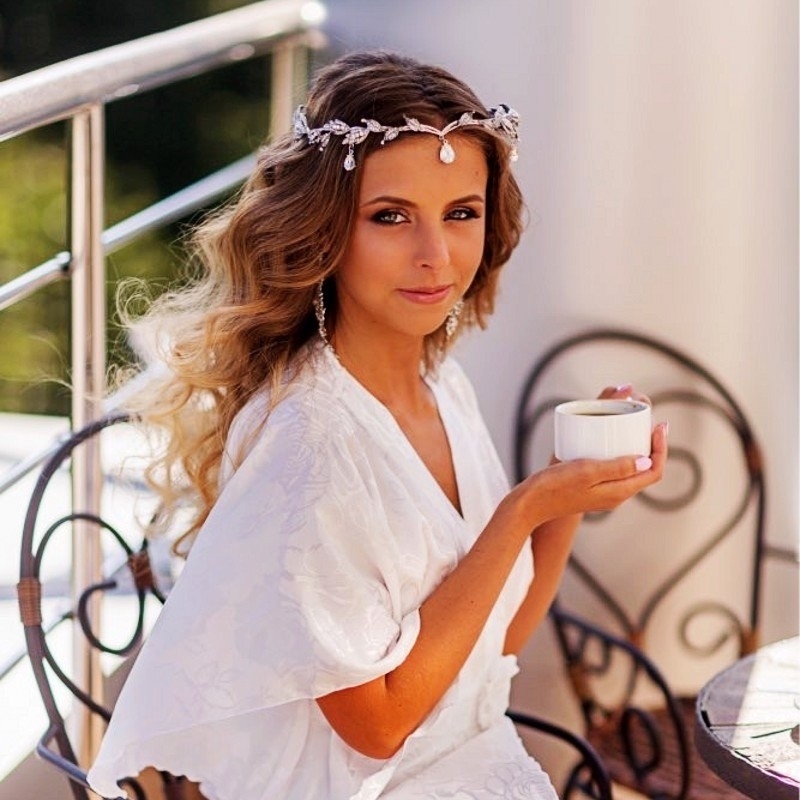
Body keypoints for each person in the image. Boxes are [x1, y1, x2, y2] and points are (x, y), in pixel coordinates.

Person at [87, 50, 668, 800]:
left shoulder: (439, 384)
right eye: (391, 217)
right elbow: (379, 725)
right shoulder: (308, 448)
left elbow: (488, 647)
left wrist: (567, 499)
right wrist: (524, 510)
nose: (435, 256)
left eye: (461, 213)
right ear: (324, 230)